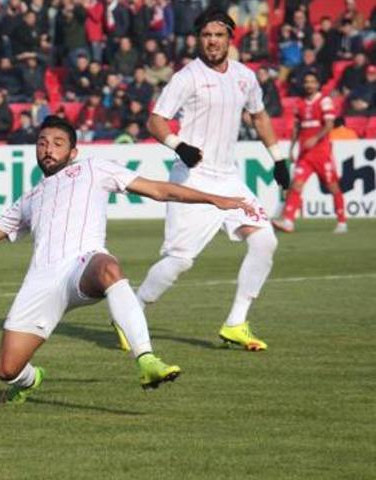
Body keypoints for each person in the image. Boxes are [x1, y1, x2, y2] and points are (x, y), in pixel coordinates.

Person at [0, 116, 257, 403]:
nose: (48, 149)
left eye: (57, 143)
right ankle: (30, 380)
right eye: (42, 143)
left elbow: (158, 189)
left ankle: (147, 359)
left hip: (83, 266)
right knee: (6, 369)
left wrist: (213, 198)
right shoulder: (29, 198)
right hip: (41, 283)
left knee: (109, 267)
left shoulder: (94, 168)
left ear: (73, 151)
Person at [135, 9, 290, 352]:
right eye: (206, 35)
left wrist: (278, 158)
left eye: (219, 35)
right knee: (180, 260)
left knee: (264, 240)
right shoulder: (186, 77)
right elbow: (155, 121)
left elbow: (259, 116)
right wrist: (179, 145)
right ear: (198, 39)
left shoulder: (245, 76)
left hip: (228, 178)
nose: (213, 41)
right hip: (193, 178)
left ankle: (235, 323)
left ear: (230, 39)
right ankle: (132, 310)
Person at [273, 73, 346, 234]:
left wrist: (315, 138)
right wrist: (291, 149)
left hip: (322, 154)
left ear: (318, 84)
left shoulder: (324, 101)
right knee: (296, 185)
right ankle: (288, 222)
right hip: (305, 155)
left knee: (333, 186)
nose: (309, 85)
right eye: (307, 82)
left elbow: (329, 125)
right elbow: (296, 128)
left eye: (312, 82)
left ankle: (342, 221)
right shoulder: (299, 103)